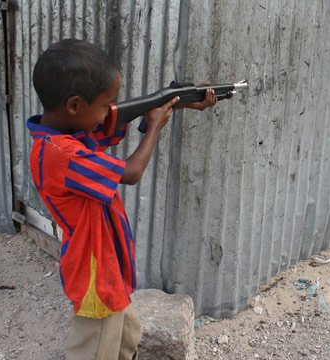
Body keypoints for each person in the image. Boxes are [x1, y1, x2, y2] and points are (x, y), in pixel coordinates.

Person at [27, 39, 216, 359]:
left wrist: (175, 100)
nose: (108, 114)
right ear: (74, 105)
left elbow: (114, 120)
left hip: (107, 266)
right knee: (95, 348)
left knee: (127, 338)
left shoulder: (67, 134)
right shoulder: (63, 155)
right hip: (94, 274)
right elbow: (131, 172)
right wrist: (155, 126)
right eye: (105, 105)